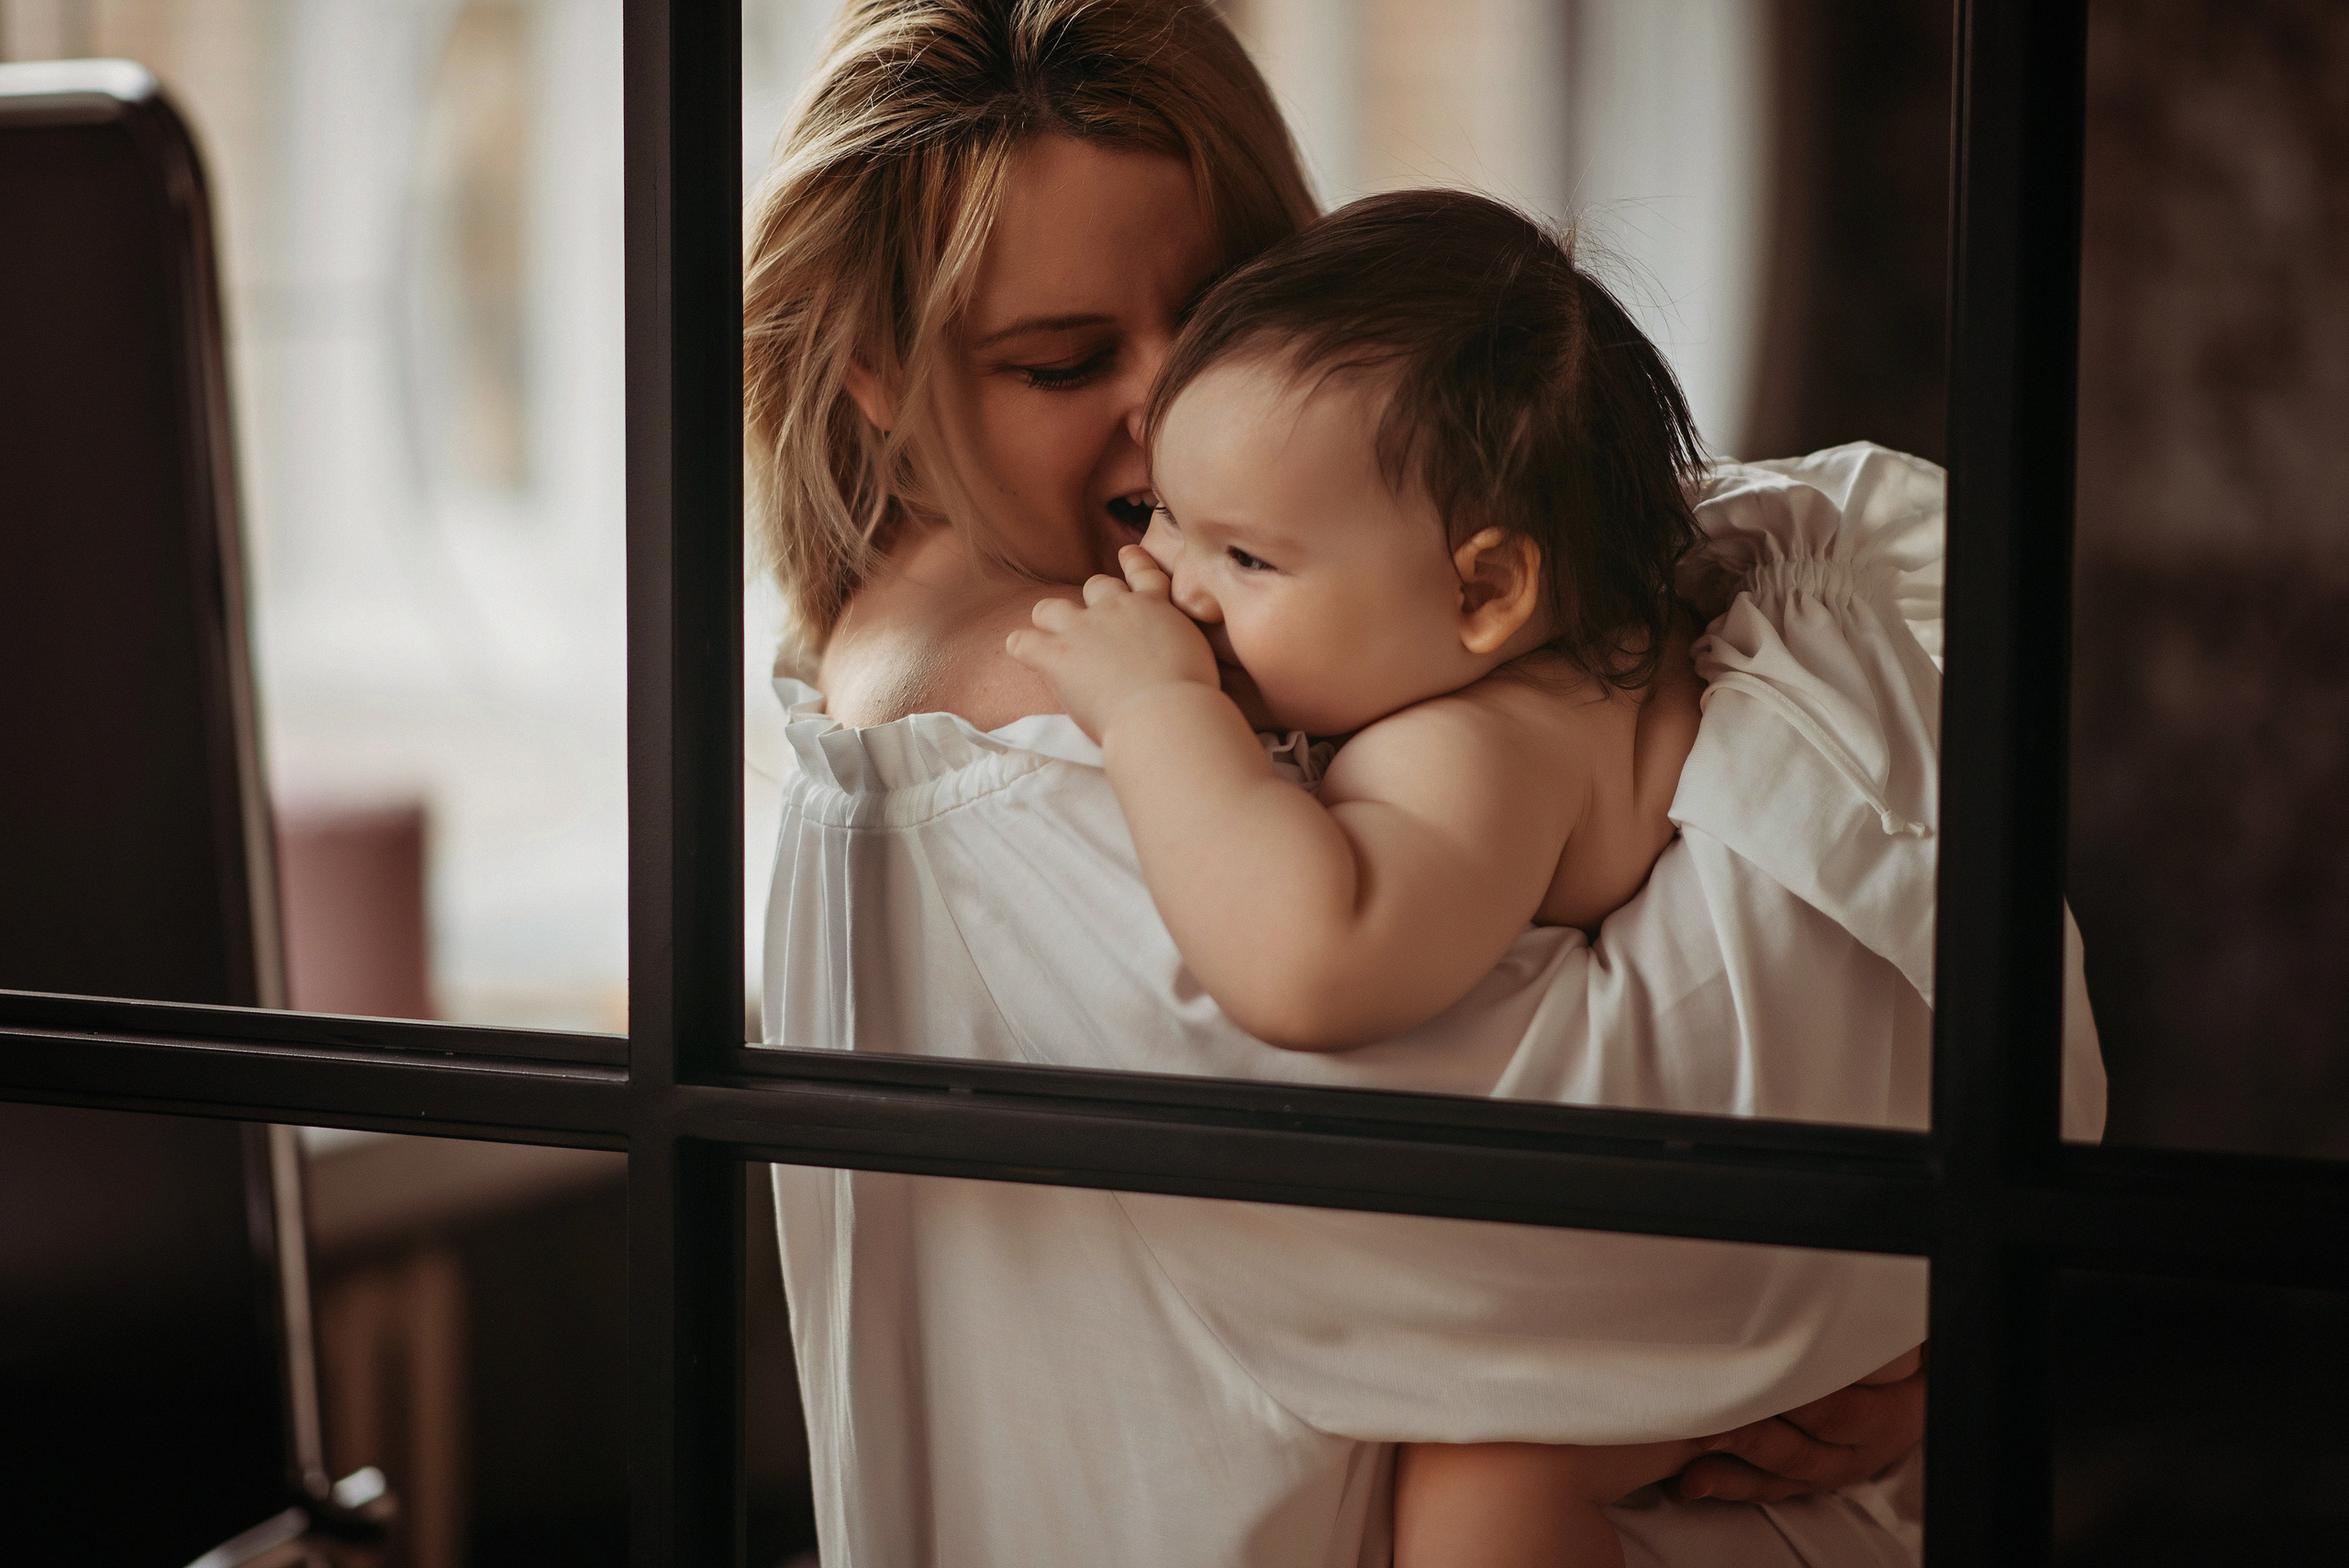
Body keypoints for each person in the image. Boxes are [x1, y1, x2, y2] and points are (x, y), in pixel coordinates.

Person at [745, 3, 2108, 1564]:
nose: (1168, 407)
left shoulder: (1340, 631)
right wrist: (1893, 1308)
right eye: (1062, 361)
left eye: (1219, 317)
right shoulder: (1059, 702)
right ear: (867, 373)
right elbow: (1612, 1225)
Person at [1002, 186, 1919, 1568]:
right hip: (1822, 1225)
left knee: (1478, 1508)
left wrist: (1153, 716)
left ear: (1486, 590)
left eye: (1245, 555)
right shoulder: (1594, 640)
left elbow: (1317, 956)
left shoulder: (1477, 743)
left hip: (1723, 1258)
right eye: (1176, 520)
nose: (1170, 578)